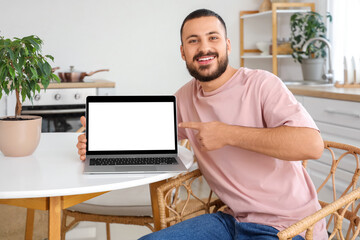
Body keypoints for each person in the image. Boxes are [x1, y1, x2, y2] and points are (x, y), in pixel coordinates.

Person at [77, 9, 327, 240]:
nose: (204, 48)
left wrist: (228, 134)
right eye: (193, 40)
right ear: (183, 52)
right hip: (232, 220)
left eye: (213, 38)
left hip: (288, 226)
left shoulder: (262, 84)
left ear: (227, 45)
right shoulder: (184, 97)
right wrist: (98, 139)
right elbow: (143, 133)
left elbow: (312, 145)